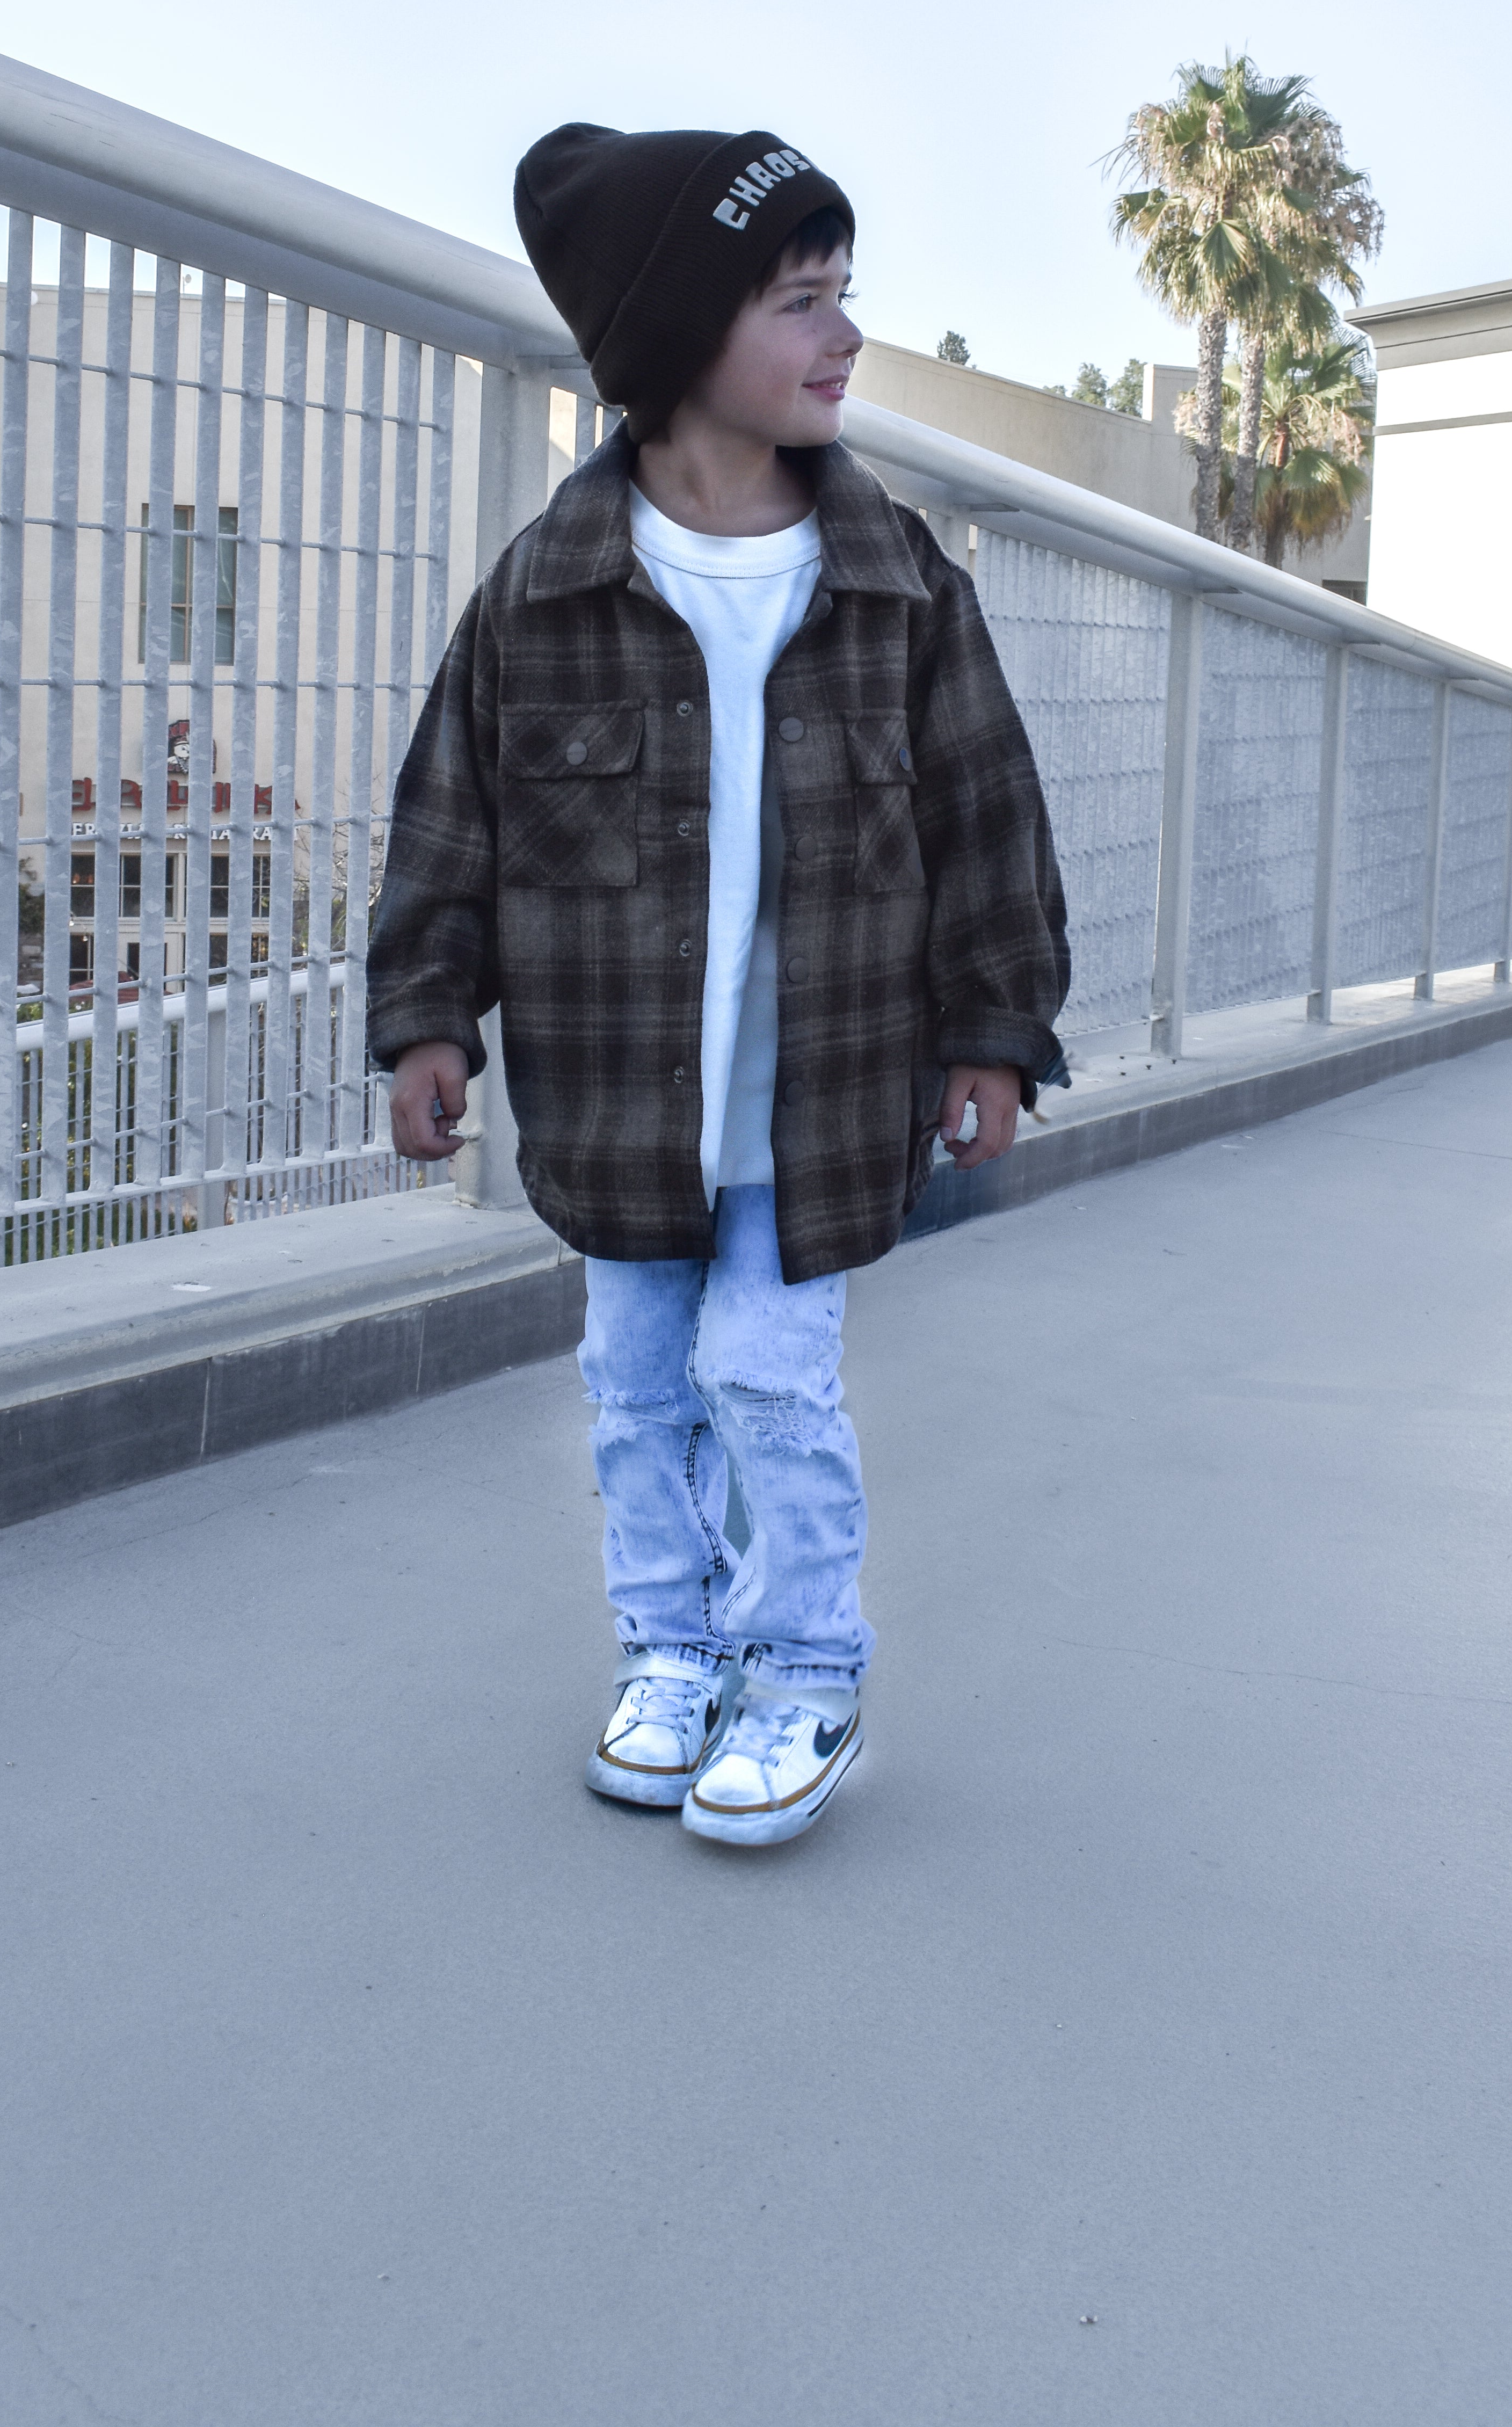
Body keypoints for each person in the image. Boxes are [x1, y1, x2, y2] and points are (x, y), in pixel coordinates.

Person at [367, 124, 1069, 1847]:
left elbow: (992, 821)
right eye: (803, 303)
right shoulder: (542, 591)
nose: (844, 339)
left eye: (849, 298)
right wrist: (424, 1013)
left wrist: (995, 1031)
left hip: (818, 1091)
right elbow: (448, 818)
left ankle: (810, 1668)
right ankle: (671, 1653)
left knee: (767, 1370)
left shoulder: (903, 583)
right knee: (631, 1382)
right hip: (622, 1101)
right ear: (681, 339)